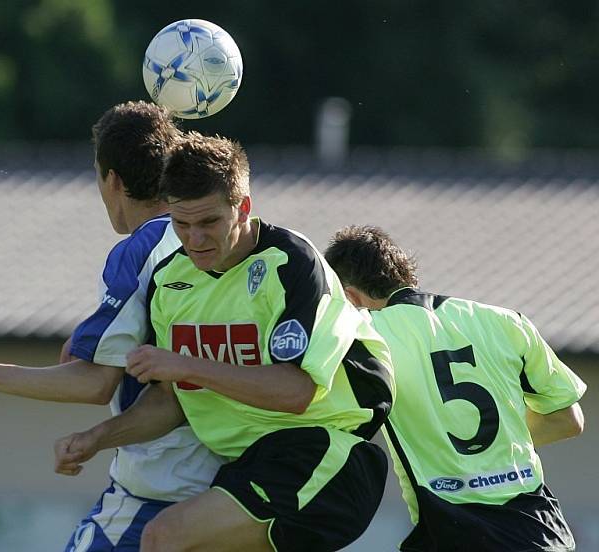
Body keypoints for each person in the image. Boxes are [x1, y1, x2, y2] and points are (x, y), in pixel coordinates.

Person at [0, 101, 223, 551]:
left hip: (161, 485)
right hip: (231, 488)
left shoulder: (140, 250)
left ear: (111, 179)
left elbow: (95, 383)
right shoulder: (216, 239)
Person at [54, 133, 395, 552]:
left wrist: (187, 366)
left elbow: (297, 391)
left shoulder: (291, 263)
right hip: (248, 467)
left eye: (209, 222)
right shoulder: (171, 283)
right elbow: (170, 400)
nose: (195, 239)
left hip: (323, 454)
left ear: (243, 208)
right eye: (182, 224)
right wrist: (97, 438)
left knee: (164, 537)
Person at [323, 225, 586, 552]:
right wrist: (493, 457)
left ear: (349, 296)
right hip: (538, 532)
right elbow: (568, 419)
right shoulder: (505, 321)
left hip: (450, 530)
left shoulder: (364, 334)